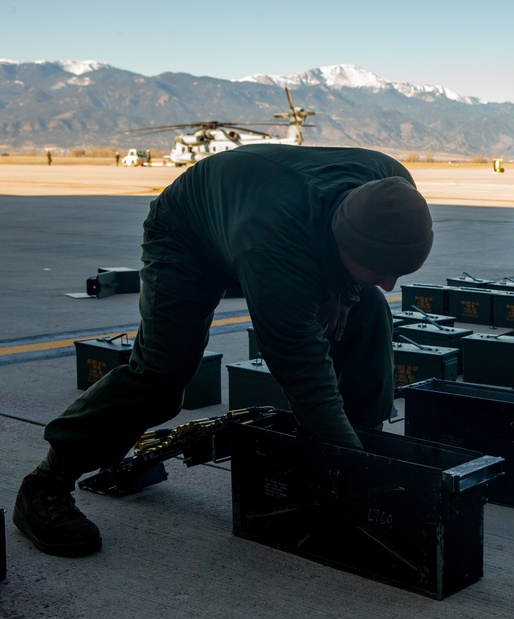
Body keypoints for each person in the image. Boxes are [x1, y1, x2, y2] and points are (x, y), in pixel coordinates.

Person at [13, 144, 434, 558]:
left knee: (370, 312)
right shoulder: (275, 249)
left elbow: (361, 279)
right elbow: (306, 378)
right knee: (163, 371)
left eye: (400, 271)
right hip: (186, 234)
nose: (391, 282)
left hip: (256, 213)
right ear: (344, 246)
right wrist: (364, 475)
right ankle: (45, 485)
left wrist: (345, 292)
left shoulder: (391, 188)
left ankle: (353, 443)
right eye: (380, 271)